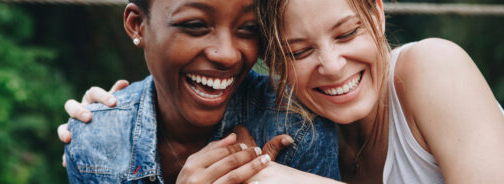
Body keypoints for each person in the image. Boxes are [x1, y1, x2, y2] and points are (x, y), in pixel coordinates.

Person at [61, 0, 340, 183]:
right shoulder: (95, 143)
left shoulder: (298, 127)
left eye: (248, 29)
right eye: (195, 26)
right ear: (137, 25)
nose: (228, 55)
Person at [244, 0, 504, 183]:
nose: (333, 66)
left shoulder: (435, 67)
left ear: (377, 14)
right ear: (273, 63)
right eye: (299, 52)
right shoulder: (299, 135)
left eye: (347, 34)